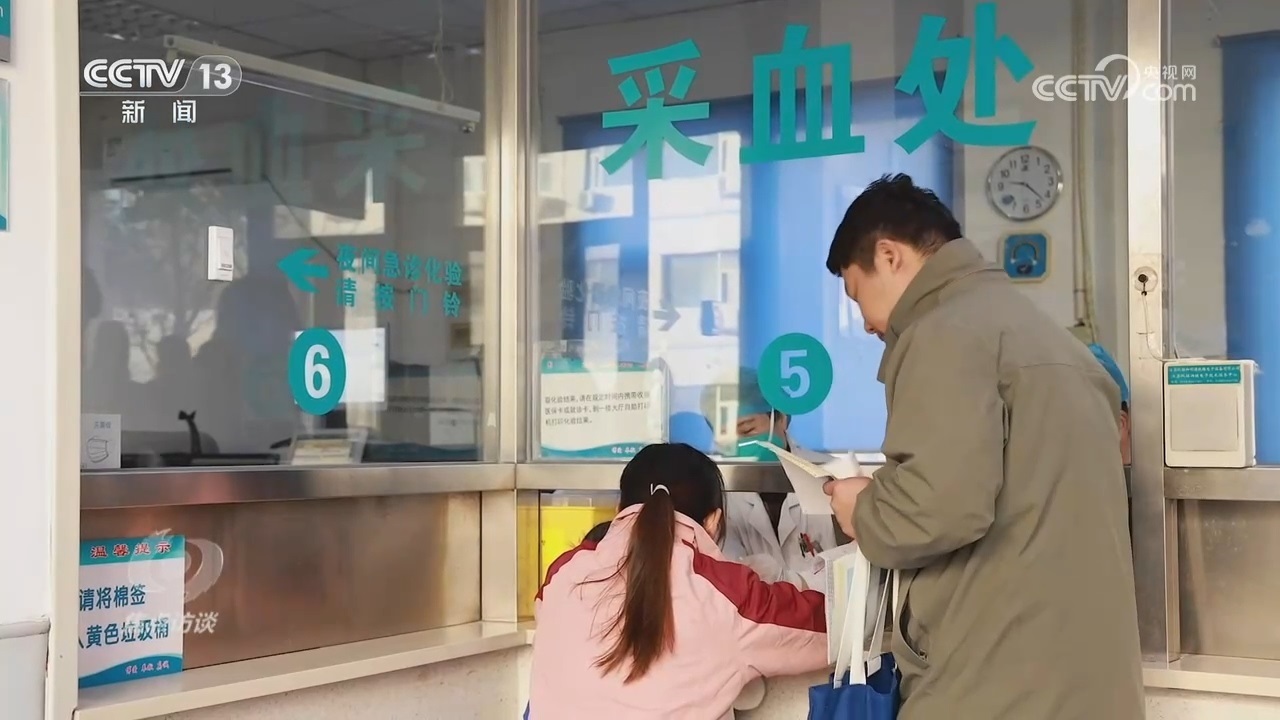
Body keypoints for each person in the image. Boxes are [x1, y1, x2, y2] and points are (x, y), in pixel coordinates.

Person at [820, 175, 1144, 719]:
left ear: (889, 256)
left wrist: (864, 509)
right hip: (1088, 681)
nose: (866, 323)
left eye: (857, 294)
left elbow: (937, 509)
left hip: (994, 682)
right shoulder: (1048, 336)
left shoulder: (941, 333)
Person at [528, 443, 828, 719]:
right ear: (713, 521)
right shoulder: (728, 594)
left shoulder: (563, 571)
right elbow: (833, 627)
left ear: (620, 510)